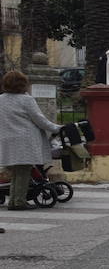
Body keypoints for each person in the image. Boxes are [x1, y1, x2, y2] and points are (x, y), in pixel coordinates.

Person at [1, 70, 63, 213]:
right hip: (24, 141)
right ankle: (19, 202)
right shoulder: (26, 100)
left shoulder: (1, 99)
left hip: (7, 141)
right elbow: (39, 119)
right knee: (23, 172)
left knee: (16, 172)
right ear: (22, 84)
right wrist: (56, 128)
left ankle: (13, 201)